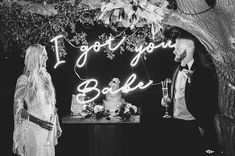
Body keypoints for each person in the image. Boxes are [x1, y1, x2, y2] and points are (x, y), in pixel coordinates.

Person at [161, 37, 219, 156]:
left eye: (177, 48)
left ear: (188, 50)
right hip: (175, 124)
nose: (173, 51)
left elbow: (210, 102)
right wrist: (167, 101)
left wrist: (202, 127)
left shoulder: (203, 72)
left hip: (193, 126)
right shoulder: (176, 70)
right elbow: (179, 95)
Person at [13, 44, 62, 156]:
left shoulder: (47, 77)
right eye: (43, 55)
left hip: (48, 129)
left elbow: (51, 104)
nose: (47, 58)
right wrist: (40, 122)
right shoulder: (24, 79)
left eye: (46, 55)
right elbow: (18, 110)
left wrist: (57, 123)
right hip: (34, 129)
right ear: (35, 57)